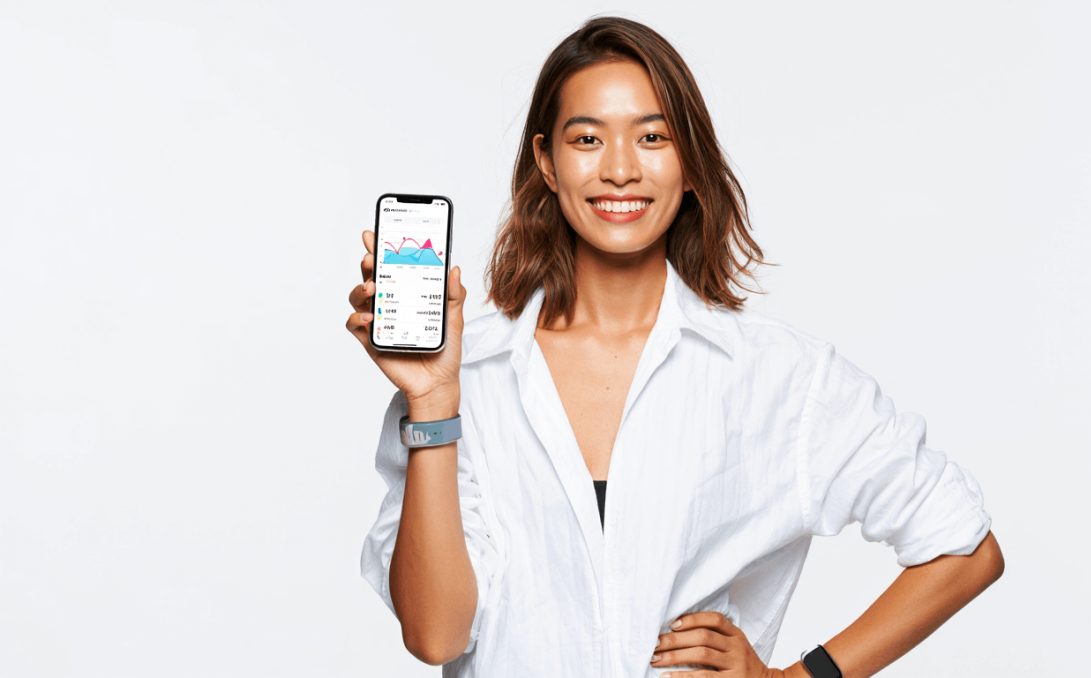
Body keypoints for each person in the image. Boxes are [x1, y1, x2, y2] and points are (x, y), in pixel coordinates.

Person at [346, 15, 1004, 678]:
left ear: (690, 162)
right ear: (547, 162)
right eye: (588, 139)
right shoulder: (472, 376)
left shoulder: (776, 377)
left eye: (652, 137)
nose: (622, 169)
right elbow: (436, 635)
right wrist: (431, 401)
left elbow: (963, 547)